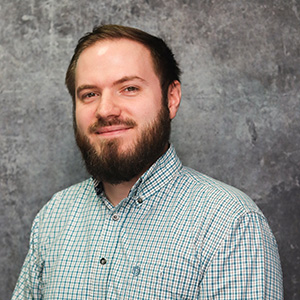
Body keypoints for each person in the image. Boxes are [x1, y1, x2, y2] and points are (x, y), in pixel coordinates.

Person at [12, 24, 283, 299]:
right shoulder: (54, 216)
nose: (105, 110)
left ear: (171, 98)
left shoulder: (229, 224)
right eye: (90, 94)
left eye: (129, 88)